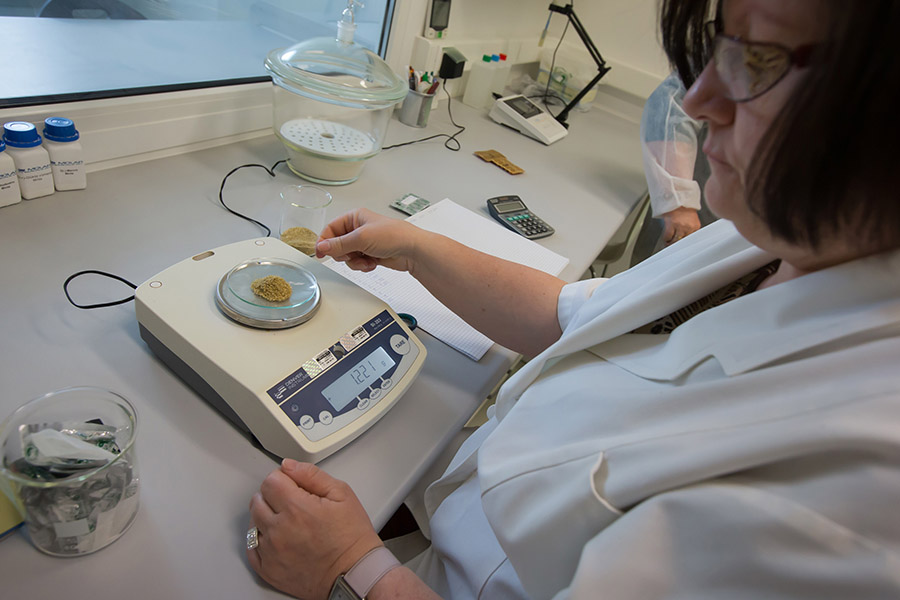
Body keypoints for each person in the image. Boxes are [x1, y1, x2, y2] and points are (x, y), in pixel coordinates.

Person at [246, 0, 900, 597]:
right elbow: (580, 318)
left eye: (758, 61)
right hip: (447, 528)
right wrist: (419, 249)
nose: (700, 102)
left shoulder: (861, 491)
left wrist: (351, 569)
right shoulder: (777, 236)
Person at [632, 71, 717, 262]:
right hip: (692, 224)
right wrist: (680, 204)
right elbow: (673, 101)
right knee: (650, 285)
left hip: (762, 243)